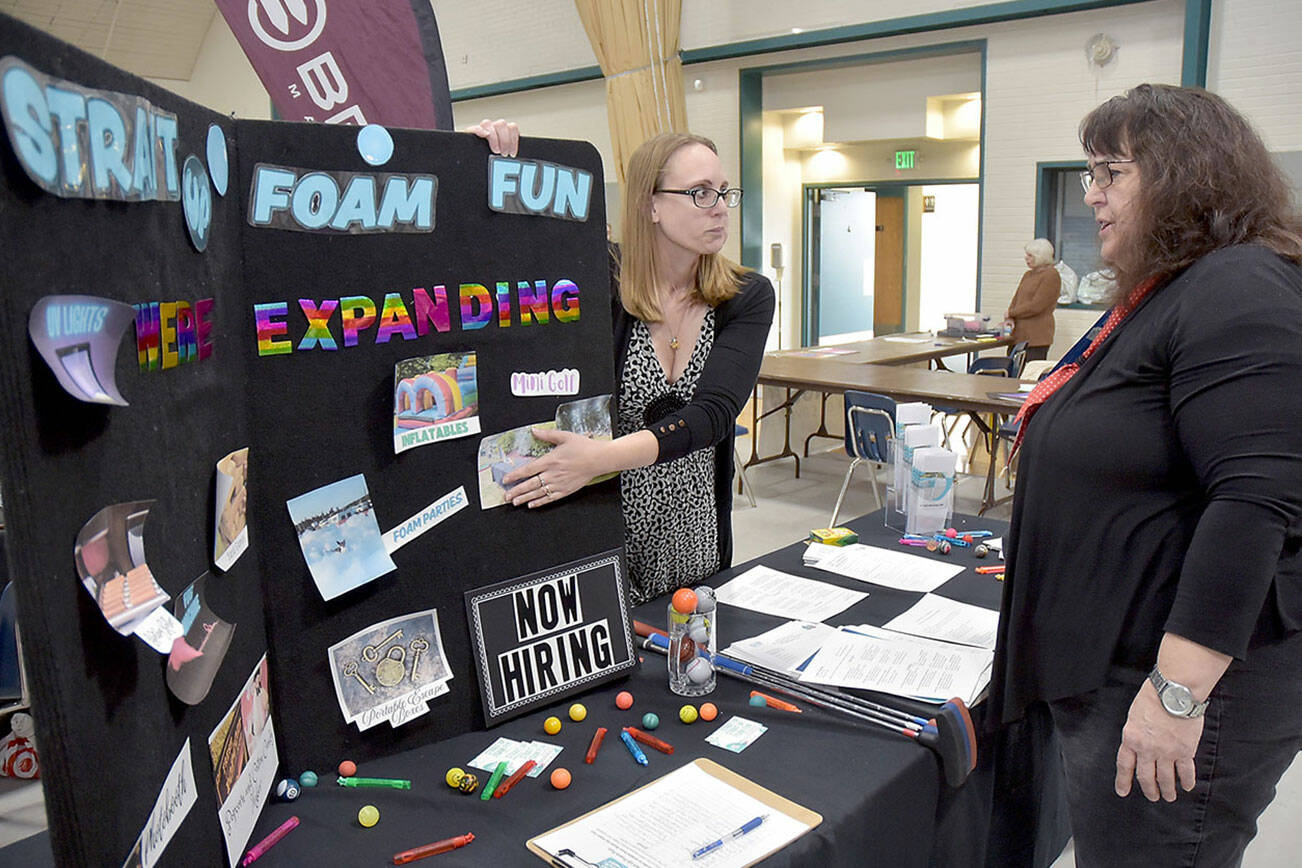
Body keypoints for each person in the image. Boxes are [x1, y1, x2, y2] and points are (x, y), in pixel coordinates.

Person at [990, 84, 1302, 866]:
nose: (1091, 195)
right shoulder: (1168, 290)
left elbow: (1256, 500)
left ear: (1185, 174)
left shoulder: (1236, 284)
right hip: (1117, 660)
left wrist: (1175, 696)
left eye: (1110, 173)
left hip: (1180, 684)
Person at [500, 132, 774, 605]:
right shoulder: (599, 284)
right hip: (605, 533)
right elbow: (514, 256)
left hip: (695, 535)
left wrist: (594, 461)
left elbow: (713, 415)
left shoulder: (745, 295)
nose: (720, 207)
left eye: (724, 191)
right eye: (700, 192)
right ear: (650, 205)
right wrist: (495, 155)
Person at [1003, 238, 1060, 363]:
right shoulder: (1027, 275)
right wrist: (1009, 317)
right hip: (1018, 335)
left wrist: (1012, 313)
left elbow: (1037, 305)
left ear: (1041, 256)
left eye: (1030, 256)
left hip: (1036, 338)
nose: (1026, 258)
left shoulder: (1051, 275)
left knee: (1027, 374)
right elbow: (1016, 298)